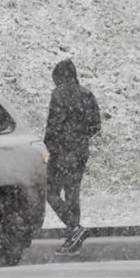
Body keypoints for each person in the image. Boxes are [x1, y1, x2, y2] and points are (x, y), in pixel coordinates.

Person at [43, 59, 101, 255]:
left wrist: (48, 149)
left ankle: (74, 228)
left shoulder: (58, 94)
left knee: (50, 191)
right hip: (80, 152)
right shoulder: (87, 94)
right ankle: (73, 235)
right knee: (72, 194)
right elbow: (96, 125)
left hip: (61, 152)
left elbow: (54, 124)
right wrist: (80, 136)